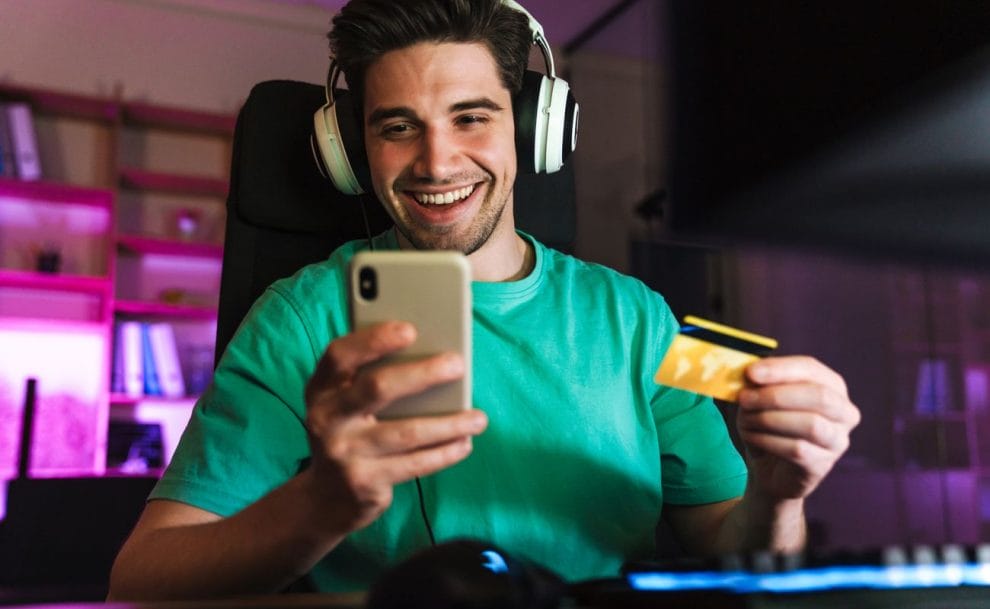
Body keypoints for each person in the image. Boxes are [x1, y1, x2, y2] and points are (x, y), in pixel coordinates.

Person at [108, 0, 860, 599]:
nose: (437, 162)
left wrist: (777, 492)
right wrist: (322, 504)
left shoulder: (637, 321)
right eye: (397, 127)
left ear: (532, 130)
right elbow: (141, 583)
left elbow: (739, 556)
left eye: (471, 116)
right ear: (351, 151)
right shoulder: (301, 318)